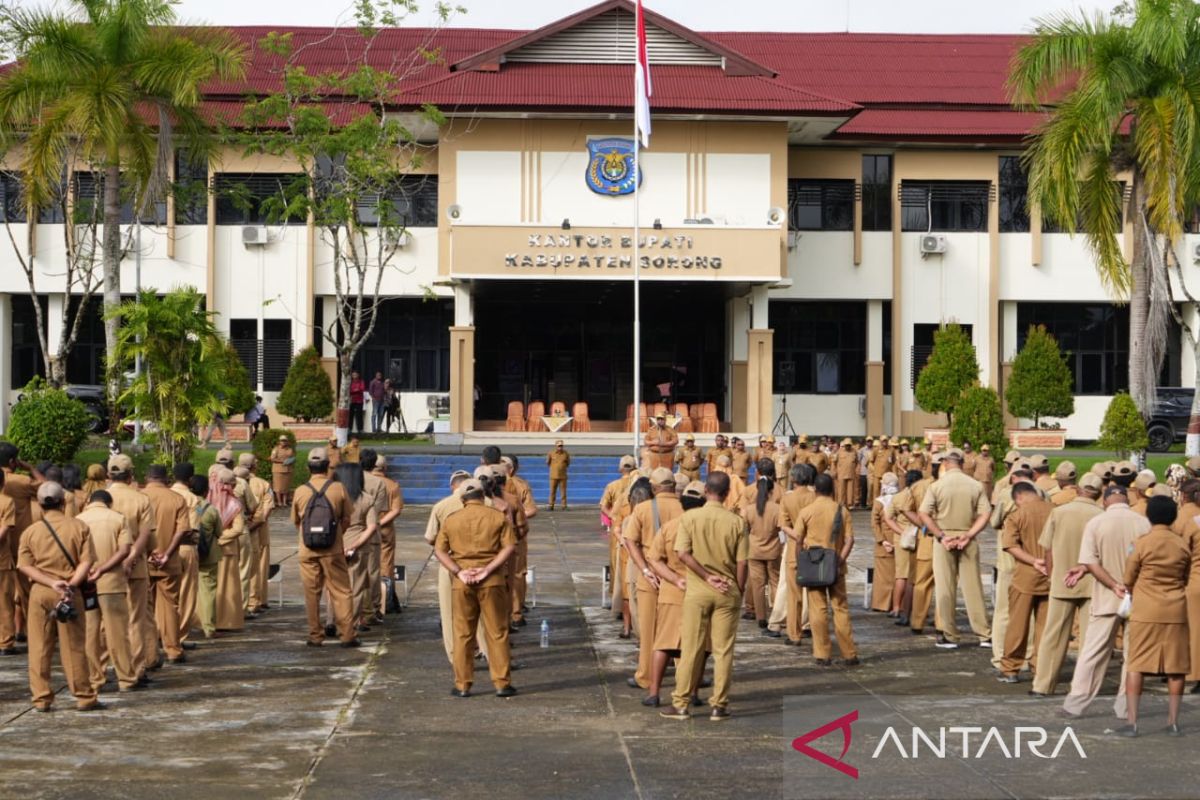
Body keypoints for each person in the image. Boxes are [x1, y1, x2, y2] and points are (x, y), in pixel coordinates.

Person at [660, 472, 748, 722]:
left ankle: (681, 704)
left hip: (697, 590)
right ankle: (719, 705)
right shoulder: (736, 522)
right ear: (728, 492)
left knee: (691, 648)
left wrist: (706, 576)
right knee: (723, 651)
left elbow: (682, 553)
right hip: (727, 590)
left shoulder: (690, 518)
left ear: (706, 489)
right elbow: (743, 562)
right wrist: (738, 590)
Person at [1062, 485, 1151, 718]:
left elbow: (1092, 562)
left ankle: (1076, 704)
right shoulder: (1142, 523)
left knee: (1093, 652)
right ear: (1126, 499)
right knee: (1133, 655)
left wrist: (1112, 584)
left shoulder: (1096, 523)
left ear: (1105, 501)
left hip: (1107, 596)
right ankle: (1125, 707)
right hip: (1138, 596)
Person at [19, 481, 101, 712]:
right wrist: (71, 585)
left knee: (39, 647)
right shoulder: (79, 527)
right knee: (74, 646)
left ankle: (42, 698)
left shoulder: (30, 532)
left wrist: (50, 582)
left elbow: (25, 566)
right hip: (70, 593)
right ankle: (84, 696)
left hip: (41, 592)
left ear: (40, 504)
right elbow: (87, 562)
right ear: (63, 502)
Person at [434, 478, 518, 698]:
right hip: (492, 580)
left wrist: (458, 571)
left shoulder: (452, 520)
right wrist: (488, 569)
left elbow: (440, 551)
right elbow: (509, 547)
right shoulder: (497, 517)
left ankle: (463, 684)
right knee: (497, 632)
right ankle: (501, 682)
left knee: (463, 633)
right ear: (483, 496)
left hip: (462, 581)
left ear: (462, 499)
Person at [1118, 496, 1190, 737]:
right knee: (1176, 668)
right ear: (1173, 516)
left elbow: (1128, 578)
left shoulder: (1141, 543)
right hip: (1176, 609)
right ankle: (1173, 721)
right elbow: (1186, 576)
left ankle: (1132, 721)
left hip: (1146, 609)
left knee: (1136, 664)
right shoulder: (1181, 545)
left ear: (1149, 515)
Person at [1031, 473, 1103, 697]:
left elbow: (1048, 548)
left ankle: (1043, 685)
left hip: (1062, 581)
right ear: (1099, 493)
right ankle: (1082, 689)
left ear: (1078, 489)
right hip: (1093, 583)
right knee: (1089, 641)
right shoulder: (1101, 516)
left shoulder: (1059, 512)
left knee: (1053, 637)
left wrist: (1053, 576)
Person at [918, 448, 991, 650]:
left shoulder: (937, 486)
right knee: (973, 588)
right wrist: (969, 535)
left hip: (944, 539)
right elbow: (986, 514)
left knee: (945, 588)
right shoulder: (975, 485)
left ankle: (950, 635)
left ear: (945, 463)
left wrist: (941, 535)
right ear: (961, 462)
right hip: (968, 538)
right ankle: (984, 634)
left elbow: (924, 514)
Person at [645, 480, 708, 707]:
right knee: (700, 645)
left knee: (664, 643)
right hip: (702, 590)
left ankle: (654, 692)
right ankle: (692, 692)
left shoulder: (671, 527)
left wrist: (673, 579)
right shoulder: (708, 527)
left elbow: (653, 559)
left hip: (673, 591)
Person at [623, 468, 684, 691]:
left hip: (650, 576)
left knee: (649, 631)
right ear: (674, 487)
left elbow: (630, 541)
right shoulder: (684, 508)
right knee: (680, 630)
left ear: (654, 487)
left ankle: (646, 676)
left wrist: (645, 569)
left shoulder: (642, 509)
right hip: (679, 576)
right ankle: (686, 675)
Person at [292, 448, 359, 648]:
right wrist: (336, 534)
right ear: (328, 466)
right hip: (333, 548)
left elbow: (297, 522)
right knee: (341, 591)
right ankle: (347, 635)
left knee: (311, 594)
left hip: (307, 549)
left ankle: (315, 635)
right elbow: (347, 518)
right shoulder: (338, 488)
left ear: (307, 468)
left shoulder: (300, 490)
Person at [793, 474, 858, 666]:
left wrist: (799, 561)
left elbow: (797, 539)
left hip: (814, 566)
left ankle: (822, 653)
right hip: (835, 566)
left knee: (818, 610)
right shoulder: (842, 510)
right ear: (833, 489)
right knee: (840, 609)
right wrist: (839, 561)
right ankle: (849, 653)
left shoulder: (807, 511)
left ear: (815, 490)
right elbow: (850, 540)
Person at [76, 489, 137, 695]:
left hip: (86, 585)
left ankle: (95, 678)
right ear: (109, 503)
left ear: (90, 501)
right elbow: (125, 550)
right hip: (112, 583)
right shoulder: (118, 519)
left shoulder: (78, 520)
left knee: (90, 634)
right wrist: (103, 568)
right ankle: (126, 678)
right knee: (118, 633)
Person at [997, 482, 1054, 683]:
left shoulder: (1017, 515)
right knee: (1045, 626)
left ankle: (1010, 667)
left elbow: (1010, 545)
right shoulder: (1056, 511)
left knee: (1017, 624)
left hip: (1025, 575)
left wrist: (1033, 560)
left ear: (1018, 497)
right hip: (1051, 575)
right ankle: (1040, 666)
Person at [105, 454, 155, 679]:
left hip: (106, 567)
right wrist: (132, 558)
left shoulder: (99, 498)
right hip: (135, 566)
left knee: (106, 620)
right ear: (131, 475)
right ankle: (135, 668)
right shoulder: (141, 499)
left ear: (109, 475)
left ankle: (106, 666)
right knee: (136, 618)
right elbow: (146, 536)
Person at [141, 464, 191, 665]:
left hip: (141, 561)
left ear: (147, 478)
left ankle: (148, 653)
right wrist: (166, 554)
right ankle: (172, 649)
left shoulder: (139, 497)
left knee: (143, 608)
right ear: (166, 479)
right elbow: (182, 530)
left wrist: (149, 553)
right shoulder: (176, 499)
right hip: (167, 561)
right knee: (170, 606)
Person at [424, 470, 473, 662]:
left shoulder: (441, 506)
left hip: (450, 563)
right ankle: (485, 650)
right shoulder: (488, 505)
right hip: (481, 564)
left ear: (453, 486)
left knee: (449, 613)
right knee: (481, 614)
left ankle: (456, 656)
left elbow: (430, 539)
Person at [337, 462, 381, 633]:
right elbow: (371, 527)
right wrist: (355, 545)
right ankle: (352, 623)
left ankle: (334, 620)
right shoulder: (366, 499)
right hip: (358, 546)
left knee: (335, 587)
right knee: (356, 587)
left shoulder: (335, 496)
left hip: (335, 545)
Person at [741, 464, 782, 629]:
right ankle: (776, 614)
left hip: (754, 550)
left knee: (757, 585)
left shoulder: (749, 510)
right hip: (773, 549)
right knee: (775, 582)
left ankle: (760, 617)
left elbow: (743, 529)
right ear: (772, 491)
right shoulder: (777, 509)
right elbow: (781, 529)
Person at [210, 469, 247, 633]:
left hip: (210, 549)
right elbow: (238, 528)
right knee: (229, 587)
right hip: (228, 549)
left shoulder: (206, 501)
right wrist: (222, 538)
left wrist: (213, 538)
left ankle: (209, 620)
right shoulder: (235, 504)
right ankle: (229, 621)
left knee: (210, 586)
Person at [367, 453, 404, 617]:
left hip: (365, 527)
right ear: (385, 467)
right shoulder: (392, 485)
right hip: (384, 526)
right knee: (386, 564)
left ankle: (368, 600)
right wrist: (380, 523)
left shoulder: (364, 482)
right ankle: (385, 601)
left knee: (366, 563)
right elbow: (396, 510)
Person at [239, 453, 275, 615]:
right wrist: (255, 524)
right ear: (254, 466)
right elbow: (266, 511)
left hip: (236, 532)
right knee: (258, 566)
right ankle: (257, 600)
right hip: (259, 531)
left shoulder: (228, 482)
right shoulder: (262, 484)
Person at [169, 463, 201, 649]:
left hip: (161, 549)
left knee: (166, 594)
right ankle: (179, 636)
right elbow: (192, 528)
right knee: (186, 593)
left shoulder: (164, 496)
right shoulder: (192, 499)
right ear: (190, 479)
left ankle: (163, 632)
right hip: (185, 547)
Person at [190, 476, 221, 640]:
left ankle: (190, 624)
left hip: (188, 553)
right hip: (208, 554)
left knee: (186, 591)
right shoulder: (211, 510)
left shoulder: (186, 505)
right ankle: (208, 627)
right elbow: (219, 532)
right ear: (206, 491)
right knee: (208, 591)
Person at [870, 472, 899, 613]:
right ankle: (896, 603)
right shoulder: (902, 499)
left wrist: (881, 540)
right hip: (899, 539)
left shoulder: (879, 502)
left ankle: (882, 603)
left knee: (882, 575)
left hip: (884, 541)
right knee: (898, 574)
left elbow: (874, 523)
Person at [270, 435, 295, 507]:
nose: (283, 442)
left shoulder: (290, 449)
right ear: (279, 441)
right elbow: (272, 458)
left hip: (288, 470)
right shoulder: (276, 449)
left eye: (285, 441)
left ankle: (284, 502)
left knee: (286, 486)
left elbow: (292, 457)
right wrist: (282, 461)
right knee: (278, 487)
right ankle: (279, 502)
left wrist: (291, 460)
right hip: (278, 470)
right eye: (282, 440)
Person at [546, 440, 571, 511]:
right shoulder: (551, 453)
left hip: (563, 476)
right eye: (559, 446)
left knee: (563, 492)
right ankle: (551, 505)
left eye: (561, 446)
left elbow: (568, 463)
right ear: (556, 446)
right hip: (553, 476)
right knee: (552, 492)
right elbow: (548, 462)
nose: (560, 447)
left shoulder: (566, 454)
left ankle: (564, 506)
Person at [833, 438, 857, 508]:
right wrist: (835, 471)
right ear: (844, 445)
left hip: (851, 473)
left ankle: (849, 504)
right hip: (841, 474)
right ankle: (841, 504)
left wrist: (854, 470)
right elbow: (834, 462)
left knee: (850, 490)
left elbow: (857, 461)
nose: (848, 446)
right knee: (841, 490)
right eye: (846, 445)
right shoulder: (839, 452)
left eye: (849, 445)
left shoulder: (854, 451)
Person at [349, 370, 366, 435]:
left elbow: (362, 389)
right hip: (352, 400)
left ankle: (360, 429)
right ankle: (349, 429)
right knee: (351, 415)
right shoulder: (350, 382)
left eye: (355, 375)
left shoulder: (361, 382)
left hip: (359, 401)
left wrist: (354, 390)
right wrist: (356, 390)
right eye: (353, 375)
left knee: (359, 415)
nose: (354, 376)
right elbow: (349, 390)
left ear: (358, 375)